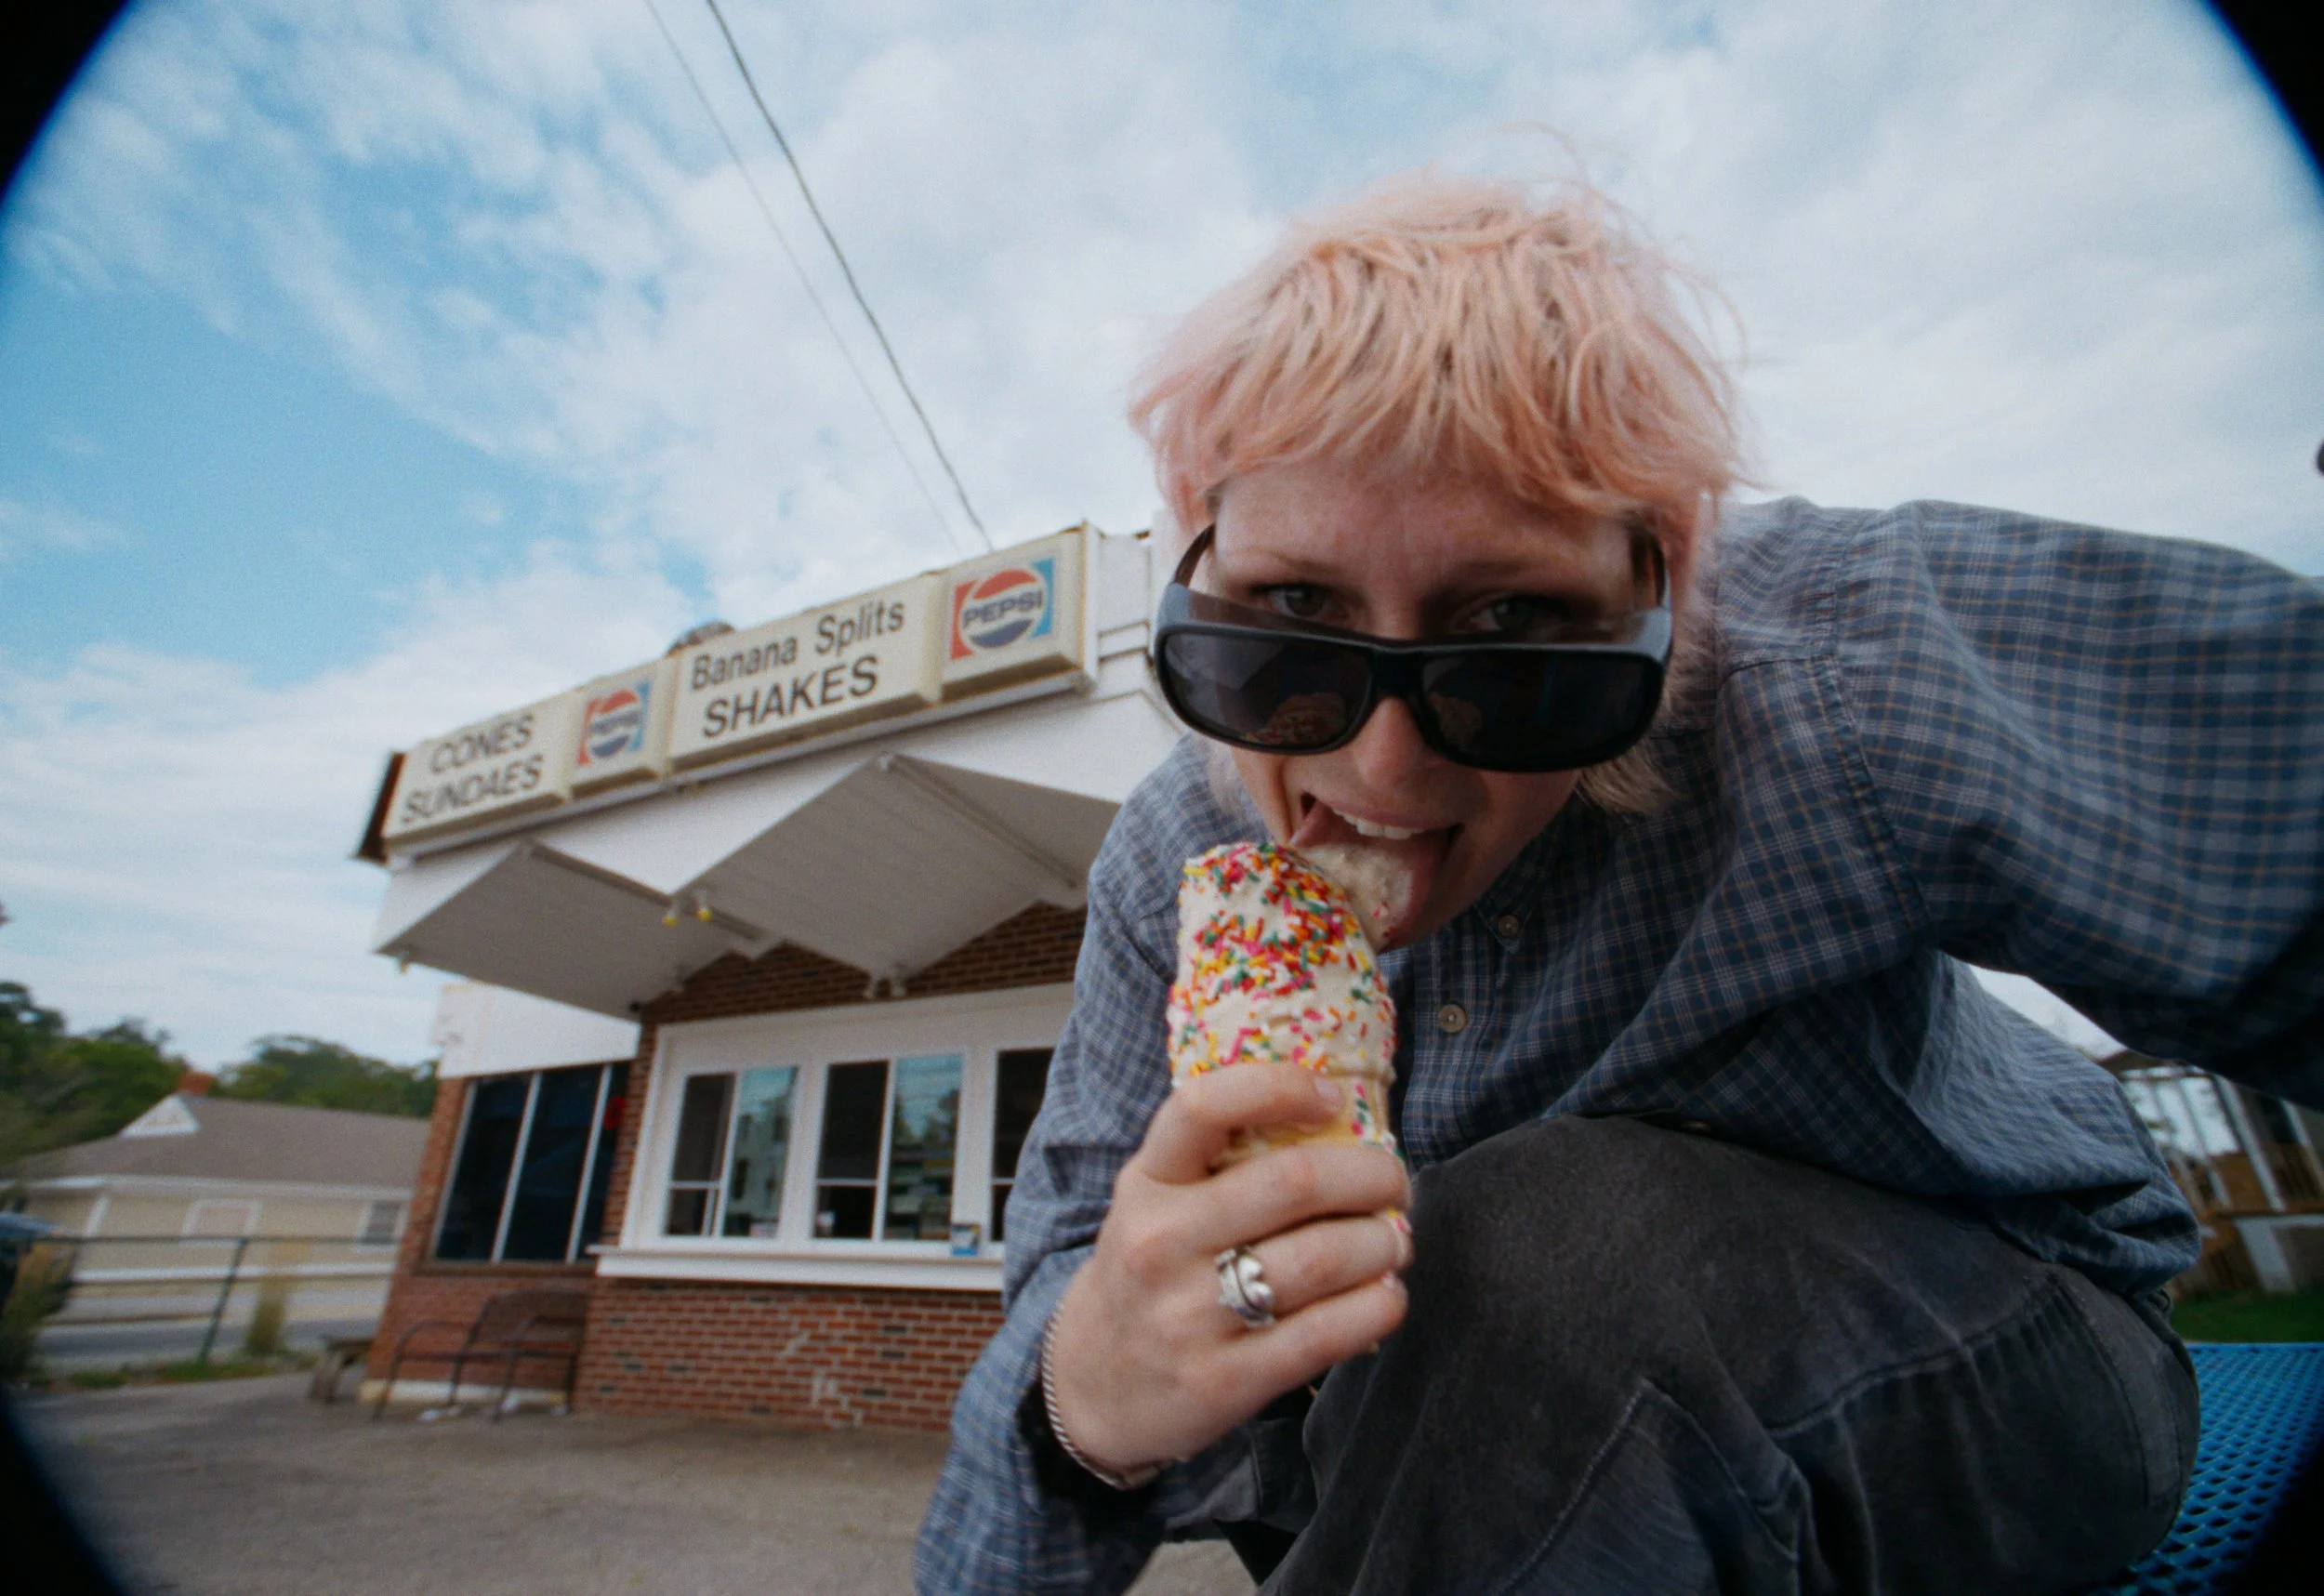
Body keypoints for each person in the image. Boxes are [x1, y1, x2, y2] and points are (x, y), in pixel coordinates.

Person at [915, 173, 2324, 1594]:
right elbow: (1063, 1312)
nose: (1384, 770)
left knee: (1542, 1249)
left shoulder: (1835, 673)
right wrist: (1088, 1398)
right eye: (1289, 615)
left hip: (2004, 1344)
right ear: (1199, 569)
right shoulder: (1173, 859)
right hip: (1446, 1458)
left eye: (1515, 625)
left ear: (1665, 589)